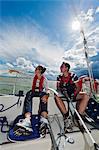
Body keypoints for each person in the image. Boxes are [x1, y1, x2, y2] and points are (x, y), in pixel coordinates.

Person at [54, 62, 89, 133]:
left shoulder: (73, 76)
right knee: (56, 96)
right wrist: (62, 91)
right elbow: (57, 88)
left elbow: (78, 87)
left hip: (73, 93)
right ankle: (66, 117)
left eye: (62, 66)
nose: (60, 68)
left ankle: (78, 116)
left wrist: (74, 94)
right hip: (64, 94)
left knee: (86, 95)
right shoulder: (59, 77)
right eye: (61, 67)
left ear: (66, 68)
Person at [16, 65, 50, 137]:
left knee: (44, 97)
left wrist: (46, 96)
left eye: (36, 69)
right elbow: (25, 74)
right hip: (34, 91)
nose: (35, 70)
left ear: (40, 71)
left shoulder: (45, 79)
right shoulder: (33, 76)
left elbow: (47, 89)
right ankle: (27, 120)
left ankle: (43, 120)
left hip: (41, 92)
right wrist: (16, 71)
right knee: (29, 94)